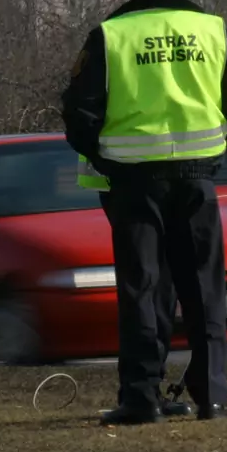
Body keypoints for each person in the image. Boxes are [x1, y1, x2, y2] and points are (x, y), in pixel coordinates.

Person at [61, 0, 227, 426]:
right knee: (202, 290)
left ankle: (142, 398)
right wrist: (213, 143)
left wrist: (105, 158)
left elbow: (79, 112)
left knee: (142, 290)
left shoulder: (111, 34)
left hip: (133, 184)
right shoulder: (211, 30)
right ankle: (212, 398)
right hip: (197, 180)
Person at [75, 155, 191, 418]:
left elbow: (82, 119)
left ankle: (143, 392)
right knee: (154, 284)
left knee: (148, 285)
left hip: (126, 174)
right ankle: (145, 390)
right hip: (155, 174)